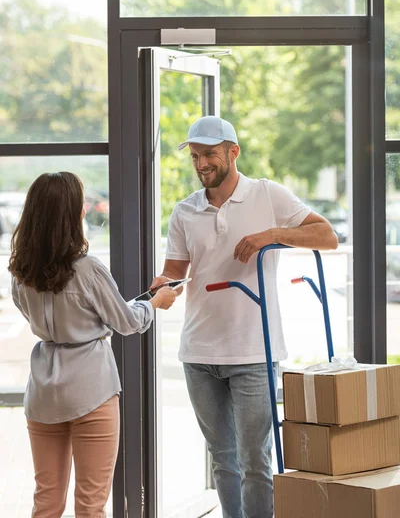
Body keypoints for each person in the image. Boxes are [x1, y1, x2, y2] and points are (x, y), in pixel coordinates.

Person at [151, 116, 338, 518]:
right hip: (198, 354)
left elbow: (327, 236)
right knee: (223, 459)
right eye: (196, 156)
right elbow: (175, 273)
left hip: (254, 352)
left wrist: (271, 235)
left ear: (233, 152)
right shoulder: (185, 211)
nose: (202, 164)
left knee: (256, 462)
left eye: (210, 155)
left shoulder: (268, 195)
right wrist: (163, 286)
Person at [8, 172, 177, 518]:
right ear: (72, 216)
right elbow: (128, 322)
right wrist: (155, 302)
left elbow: (34, 318)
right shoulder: (88, 270)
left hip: (42, 393)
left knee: (46, 501)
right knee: (90, 504)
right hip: (91, 392)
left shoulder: (20, 274)